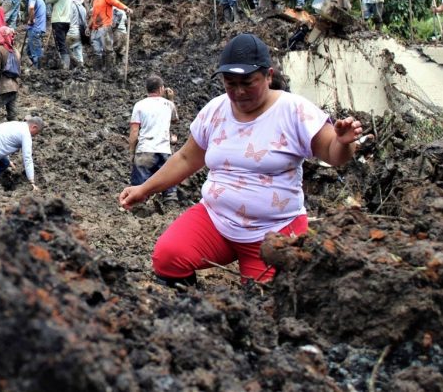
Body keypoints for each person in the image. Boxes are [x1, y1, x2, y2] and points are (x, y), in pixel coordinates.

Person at [118, 34, 364, 285]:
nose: (238, 92)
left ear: (268, 76)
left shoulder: (294, 111)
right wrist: (144, 189)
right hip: (216, 220)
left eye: (248, 83)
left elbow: (334, 155)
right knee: (168, 257)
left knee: (267, 299)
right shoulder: (215, 110)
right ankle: (193, 311)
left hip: (274, 231)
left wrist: (344, 143)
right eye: (230, 83)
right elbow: (184, 158)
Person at [128, 75, 179, 205]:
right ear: (161, 88)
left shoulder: (139, 105)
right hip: (164, 150)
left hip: (145, 150)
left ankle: (139, 209)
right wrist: (171, 99)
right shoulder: (169, 105)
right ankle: (170, 208)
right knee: (168, 185)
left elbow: (134, 131)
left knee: (139, 187)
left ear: (147, 89)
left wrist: (132, 152)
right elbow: (175, 120)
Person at [87, 0, 132, 71]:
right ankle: (97, 71)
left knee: (108, 50)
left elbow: (116, 3)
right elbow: (94, 15)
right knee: (96, 51)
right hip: (95, 28)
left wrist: (126, 8)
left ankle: (109, 71)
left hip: (105, 27)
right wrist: (88, 27)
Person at [24, 0, 46, 67]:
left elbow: (31, 7)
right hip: (39, 28)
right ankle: (32, 68)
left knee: (36, 54)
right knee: (29, 51)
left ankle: (38, 72)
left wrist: (31, 20)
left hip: (35, 28)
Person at [66, 0, 87, 69]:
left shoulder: (71, 6)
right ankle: (80, 65)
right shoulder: (83, 8)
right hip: (80, 33)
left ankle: (70, 67)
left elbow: (69, 18)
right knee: (78, 50)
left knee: (67, 50)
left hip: (71, 31)